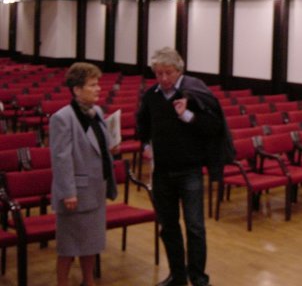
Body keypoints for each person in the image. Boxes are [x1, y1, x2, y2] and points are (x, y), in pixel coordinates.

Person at [137, 48, 232, 286]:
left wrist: (186, 115)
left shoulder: (193, 93)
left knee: (195, 227)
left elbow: (213, 127)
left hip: (189, 171)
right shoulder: (151, 97)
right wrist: (146, 145)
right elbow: (143, 128)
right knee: (169, 227)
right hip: (162, 172)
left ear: (179, 70)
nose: (163, 78)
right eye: (158, 73)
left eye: (168, 73)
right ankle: (177, 276)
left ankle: (198, 278)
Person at [49, 62, 118, 286]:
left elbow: (98, 145)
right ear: (77, 89)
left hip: (96, 188)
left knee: (91, 244)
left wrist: (111, 148)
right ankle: (62, 283)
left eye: (98, 84)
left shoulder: (96, 112)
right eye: (92, 85)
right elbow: (61, 158)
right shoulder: (62, 118)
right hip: (76, 193)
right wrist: (68, 192)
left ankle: (88, 281)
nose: (98, 88)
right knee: (69, 247)